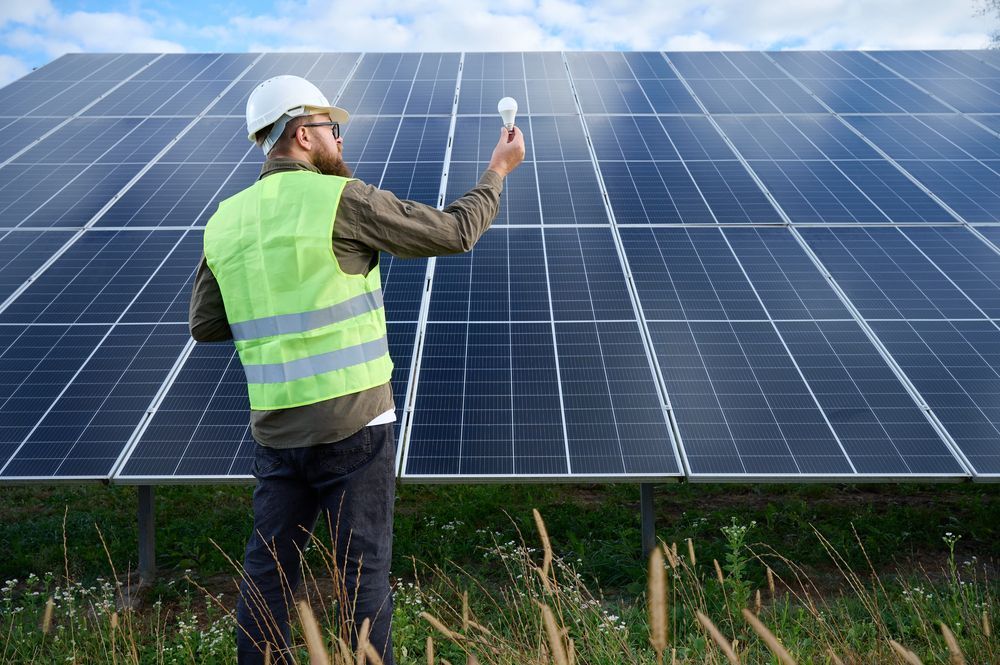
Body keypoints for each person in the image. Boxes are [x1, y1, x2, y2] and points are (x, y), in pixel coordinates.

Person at [188, 74, 525, 664]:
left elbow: (207, 326)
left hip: (276, 430)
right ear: (302, 134)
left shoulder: (225, 222)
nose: (339, 140)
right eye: (331, 129)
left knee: (267, 574)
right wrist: (498, 172)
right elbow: (454, 231)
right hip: (354, 425)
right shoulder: (342, 199)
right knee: (361, 576)